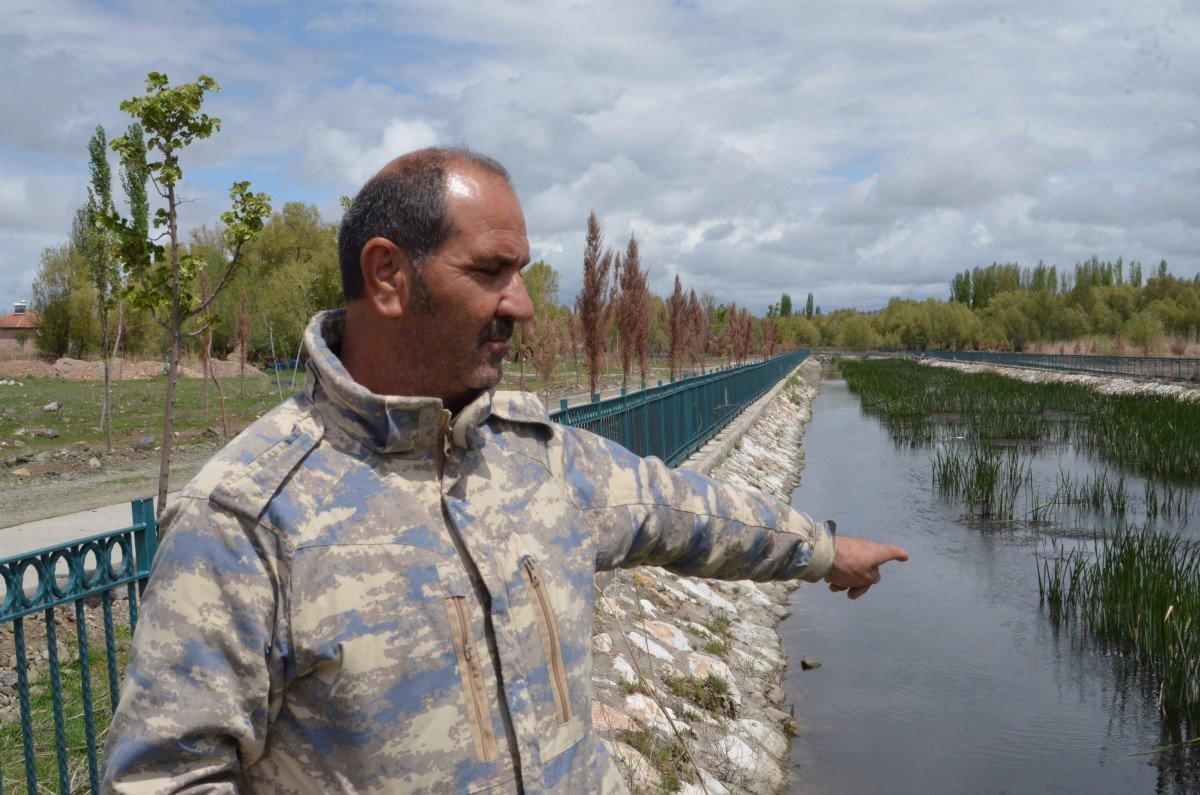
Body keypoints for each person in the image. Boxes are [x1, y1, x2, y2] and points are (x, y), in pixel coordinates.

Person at [102, 147, 908, 793]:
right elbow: (164, 776)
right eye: (491, 272)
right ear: (389, 276)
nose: (521, 304)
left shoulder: (536, 456)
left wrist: (823, 548)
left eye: (520, 272)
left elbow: (683, 511)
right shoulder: (248, 517)